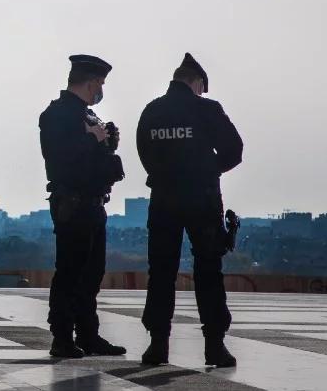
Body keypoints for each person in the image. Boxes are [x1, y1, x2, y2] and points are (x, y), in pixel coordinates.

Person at [137, 53, 243, 368]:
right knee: (208, 270)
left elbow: (145, 153)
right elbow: (234, 150)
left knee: (161, 272)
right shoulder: (206, 109)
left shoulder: (152, 111)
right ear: (197, 82)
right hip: (202, 199)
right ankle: (214, 346)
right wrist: (208, 170)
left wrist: (168, 174)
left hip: (164, 199)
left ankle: (157, 345)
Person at [38, 54, 127, 358]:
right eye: (100, 83)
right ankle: (62, 336)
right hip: (73, 203)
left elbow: (92, 158)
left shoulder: (87, 116)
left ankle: (88, 334)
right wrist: (92, 139)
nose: (101, 89)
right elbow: (59, 157)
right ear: (90, 83)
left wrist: (107, 143)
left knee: (91, 274)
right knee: (70, 273)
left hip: (93, 202)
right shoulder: (57, 115)